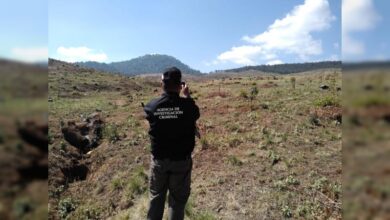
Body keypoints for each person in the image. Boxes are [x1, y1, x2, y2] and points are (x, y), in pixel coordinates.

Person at [144, 67, 200, 220]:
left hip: (159, 162)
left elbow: (149, 114)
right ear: (180, 85)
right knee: (177, 203)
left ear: (163, 84)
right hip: (181, 162)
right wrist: (187, 96)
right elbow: (196, 113)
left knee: (156, 199)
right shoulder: (189, 107)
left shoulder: (152, 106)